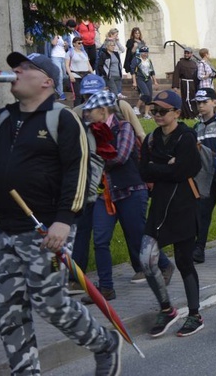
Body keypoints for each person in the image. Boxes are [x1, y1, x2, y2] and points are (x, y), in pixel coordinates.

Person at [0, 52, 122, 374]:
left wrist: (64, 220)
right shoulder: (2, 119)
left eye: (24, 67)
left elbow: (77, 170)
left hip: (45, 230)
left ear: (47, 81)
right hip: (4, 230)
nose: (16, 71)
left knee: (49, 303)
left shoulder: (62, 118)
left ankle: (103, 342)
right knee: (9, 312)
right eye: (14, 67)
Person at [139, 90, 203, 338]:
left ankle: (195, 314)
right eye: (155, 110)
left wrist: (159, 168)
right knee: (146, 259)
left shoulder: (186, 137)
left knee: (185, 261)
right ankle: (166, 309)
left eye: (163, 111)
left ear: (177, 113)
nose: (157, 115)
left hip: (184, 206)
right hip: (158, 209)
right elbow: (143, 171)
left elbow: (186, 170)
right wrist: (167, 165)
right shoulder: (151, 140)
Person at [80, 90, 153, 304]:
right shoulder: (91, 131)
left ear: (103, 111)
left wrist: (94, 159)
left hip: (130, 191)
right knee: (100, 240)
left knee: (137, 236)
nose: (86, 115)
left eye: (90, 111)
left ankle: (164, 266)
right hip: (106, 194)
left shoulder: (124, 128)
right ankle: (106, 288)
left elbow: (120, 157)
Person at [191, 87, 216, 264]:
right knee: (201, 215)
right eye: (198, 103)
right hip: (204, 179)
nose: (201, 106)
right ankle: (199, 248)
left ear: (214, 102)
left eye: (204, 102)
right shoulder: (196, 127)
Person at [130, 46, 159, 119]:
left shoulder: (149, 60)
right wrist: (134, 82)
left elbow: (152, 71)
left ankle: (146, 114)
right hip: (140, 78)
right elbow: (132, 71)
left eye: (146, 52)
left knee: (149, 97)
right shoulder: (136, 59)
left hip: (148, 79)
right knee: (145, 93)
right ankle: (136, 108)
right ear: (140, 52)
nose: (145, 54)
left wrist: (155, 81)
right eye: (143, 52)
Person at [65, 36, 93, 107]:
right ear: (74, 44)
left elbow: (88, 65)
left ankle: (83, 109)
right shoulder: (70, 52)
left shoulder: (84, 53)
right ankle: (76, 111)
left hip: (86, 75)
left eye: (81, 43)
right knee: (78, 95)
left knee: (87, 94)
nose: (80, 44)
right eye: (79, 43)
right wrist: (70, 75)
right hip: (76, 74)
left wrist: (93, 74)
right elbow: (67, 65)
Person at [172, 48, 198, 119]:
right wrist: (175, 86)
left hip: (192, 84)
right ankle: (188, 114)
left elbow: (196, 75)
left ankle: (193, 113)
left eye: (188, 53)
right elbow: (176, 74)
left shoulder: (194, 63)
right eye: (185, 53)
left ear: (191, 54)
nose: (186, 54)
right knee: (186, 98)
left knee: (192, 98)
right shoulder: (180, 63)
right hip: (185, 83)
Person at [49, 32, 68, 100]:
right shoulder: (52, 35)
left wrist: (66, 45)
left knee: (64, 76)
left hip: (63, 56)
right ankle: (61, 93)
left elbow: (65, 48)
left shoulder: (62, 36)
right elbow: (53, 43)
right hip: (55, 56)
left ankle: (56, 88)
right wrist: (56, 36)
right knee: (59, 75)